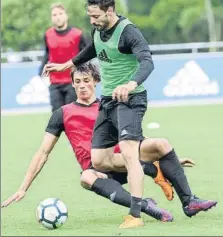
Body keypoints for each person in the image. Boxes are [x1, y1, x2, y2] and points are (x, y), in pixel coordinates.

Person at [2, 61, 217, 229]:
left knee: (161, 144)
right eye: (77, 81)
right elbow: (43, 152)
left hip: (123, 162)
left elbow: (133, 138)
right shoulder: (63, 114)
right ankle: (146, 206)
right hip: (97, 170)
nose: (82, 86)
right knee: (85, 177)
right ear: (73, 84)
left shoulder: (110, 105)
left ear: (95, 81)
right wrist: (23, 188)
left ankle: (189, 202)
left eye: (86, 80)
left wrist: (172, 160)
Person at [43, 0, 155, 228]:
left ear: (110, 10)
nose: (91, 21)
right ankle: (154, 169)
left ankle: (135, 215)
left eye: (95, 16)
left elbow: (147, 60)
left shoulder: (129, 32)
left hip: (131, 98)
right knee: (98, 158)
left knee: (128, 151)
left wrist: (131, 82)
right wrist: (66, 65)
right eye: (89, 16)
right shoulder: (99, 30)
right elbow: (91, 49)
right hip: (108, 99)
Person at [40, 3, 88, 112]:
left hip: (73, 82)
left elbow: (86, 56)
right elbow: (48, 53)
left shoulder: (78, 34)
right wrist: (41, 70)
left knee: (71, 116)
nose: (58, 17)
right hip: (55, 82)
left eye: (60, 14)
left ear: (66, 16)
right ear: (51, 18)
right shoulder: (47, 34)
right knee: (57, 116)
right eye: (54, 15)